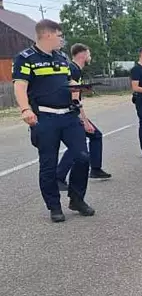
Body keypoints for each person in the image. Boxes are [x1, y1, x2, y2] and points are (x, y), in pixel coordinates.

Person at [12, 19, 94, 223]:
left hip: (68, 115)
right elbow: (20, 86)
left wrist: (77, 88)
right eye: (59, 35)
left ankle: (76, 199)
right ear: (47, 35)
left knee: (82, 156)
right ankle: (54, 207)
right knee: (48, 165)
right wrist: (25, 109)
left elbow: (68, 81)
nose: (62, 40)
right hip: (45, 118)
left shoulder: (62, 58)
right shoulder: (25, 58)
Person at [56, 43, 112, 191]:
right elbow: (74, 99)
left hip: (71, 111)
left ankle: (95, 169)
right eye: (89, 53)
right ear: (82, 54)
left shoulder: (75, 70)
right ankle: (59, 176)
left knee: (91, 138)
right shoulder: (73, 70)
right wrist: (84, 120)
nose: (90, 56)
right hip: (71, 113)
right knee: (80, 144)